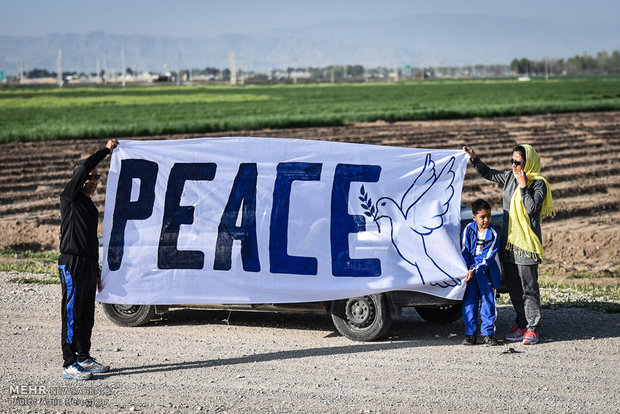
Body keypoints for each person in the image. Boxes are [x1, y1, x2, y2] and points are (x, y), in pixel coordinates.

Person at [462, 144, 554, 345]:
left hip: (527, 245)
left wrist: (523, 186)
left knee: (528, 287)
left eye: (518, 162)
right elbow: (489, 173)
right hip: (509, 243)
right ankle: (522, 325)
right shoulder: (509, 177)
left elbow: (531, 209)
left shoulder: (538, 184)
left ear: (528, 162)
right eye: (512, 161)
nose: (514, 165)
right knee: (514, 288)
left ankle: (533, 328)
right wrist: (474, 158)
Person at [58, 139, 119, 380]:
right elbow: (84, 167)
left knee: (86, 313)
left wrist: (96, 270)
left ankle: (83, 356)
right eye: (90, 177)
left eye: (96, 179)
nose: (93, 182)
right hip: (71, 262)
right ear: (79, 179)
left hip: (86, 263)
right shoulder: (70, 197)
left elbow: (91, 240)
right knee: (72, 312)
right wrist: (106, 150)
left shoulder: (88, 205)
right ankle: (69, 362)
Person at [461, 199, 501, 346]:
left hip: (486, 273)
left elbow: (488, 257)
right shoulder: (468, 230)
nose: (486, 220)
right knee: (469, 302)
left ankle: (488, 334)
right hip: (471, 273)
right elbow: (465, 251)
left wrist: (474, 269)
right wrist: (466, 269)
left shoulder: (493, 234)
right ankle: (470, 334)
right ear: (474, 217)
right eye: (482, 217)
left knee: (488, 302)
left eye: (488, 216)